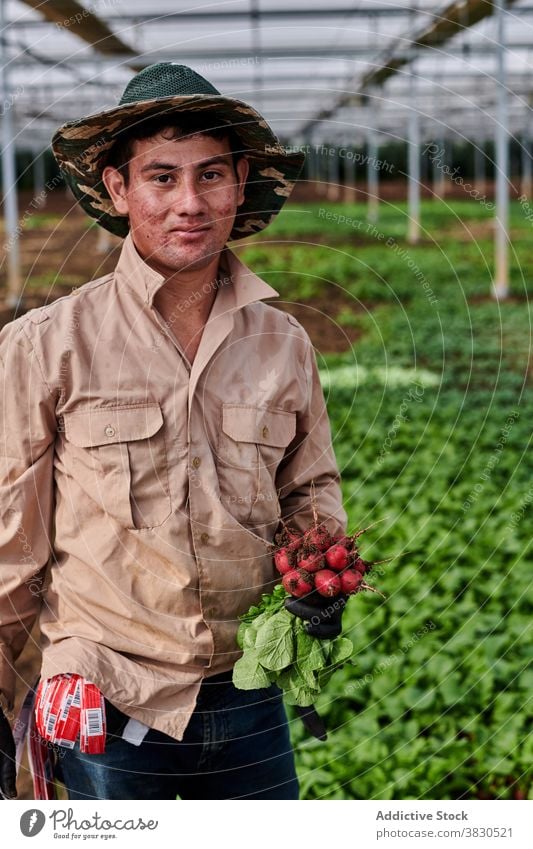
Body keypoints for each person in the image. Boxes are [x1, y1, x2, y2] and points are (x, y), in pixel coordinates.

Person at [0, 63, 347, 801]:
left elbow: (308, 486)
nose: (190, 203)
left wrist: (320, 569)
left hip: (246, 679)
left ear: (240, 180)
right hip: (105, 684)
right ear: (119, 188)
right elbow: (10, 542)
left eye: (211, 175)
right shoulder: (46, 345)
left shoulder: (282, 343)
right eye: (162, 177)